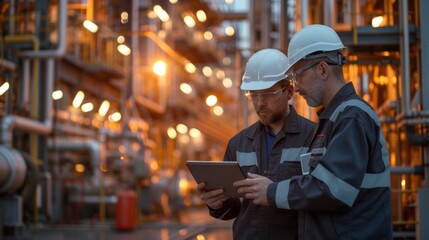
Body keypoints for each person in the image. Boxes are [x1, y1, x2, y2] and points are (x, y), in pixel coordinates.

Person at [233, 24, 393, 239]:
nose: (296, 88)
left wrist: (271, 192)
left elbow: (335, 190)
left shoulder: (351, 117)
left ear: (323, 70)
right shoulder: (333, 119)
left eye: (298, 76)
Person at [197, 48, 316, 240]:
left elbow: (321, 197)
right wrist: (216, 204)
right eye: (254, 94)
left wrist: (274, 192)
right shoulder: (239, 144)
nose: (260, 103)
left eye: (268, 94)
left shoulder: (313, 137)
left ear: (289, 91)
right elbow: (235, 210)